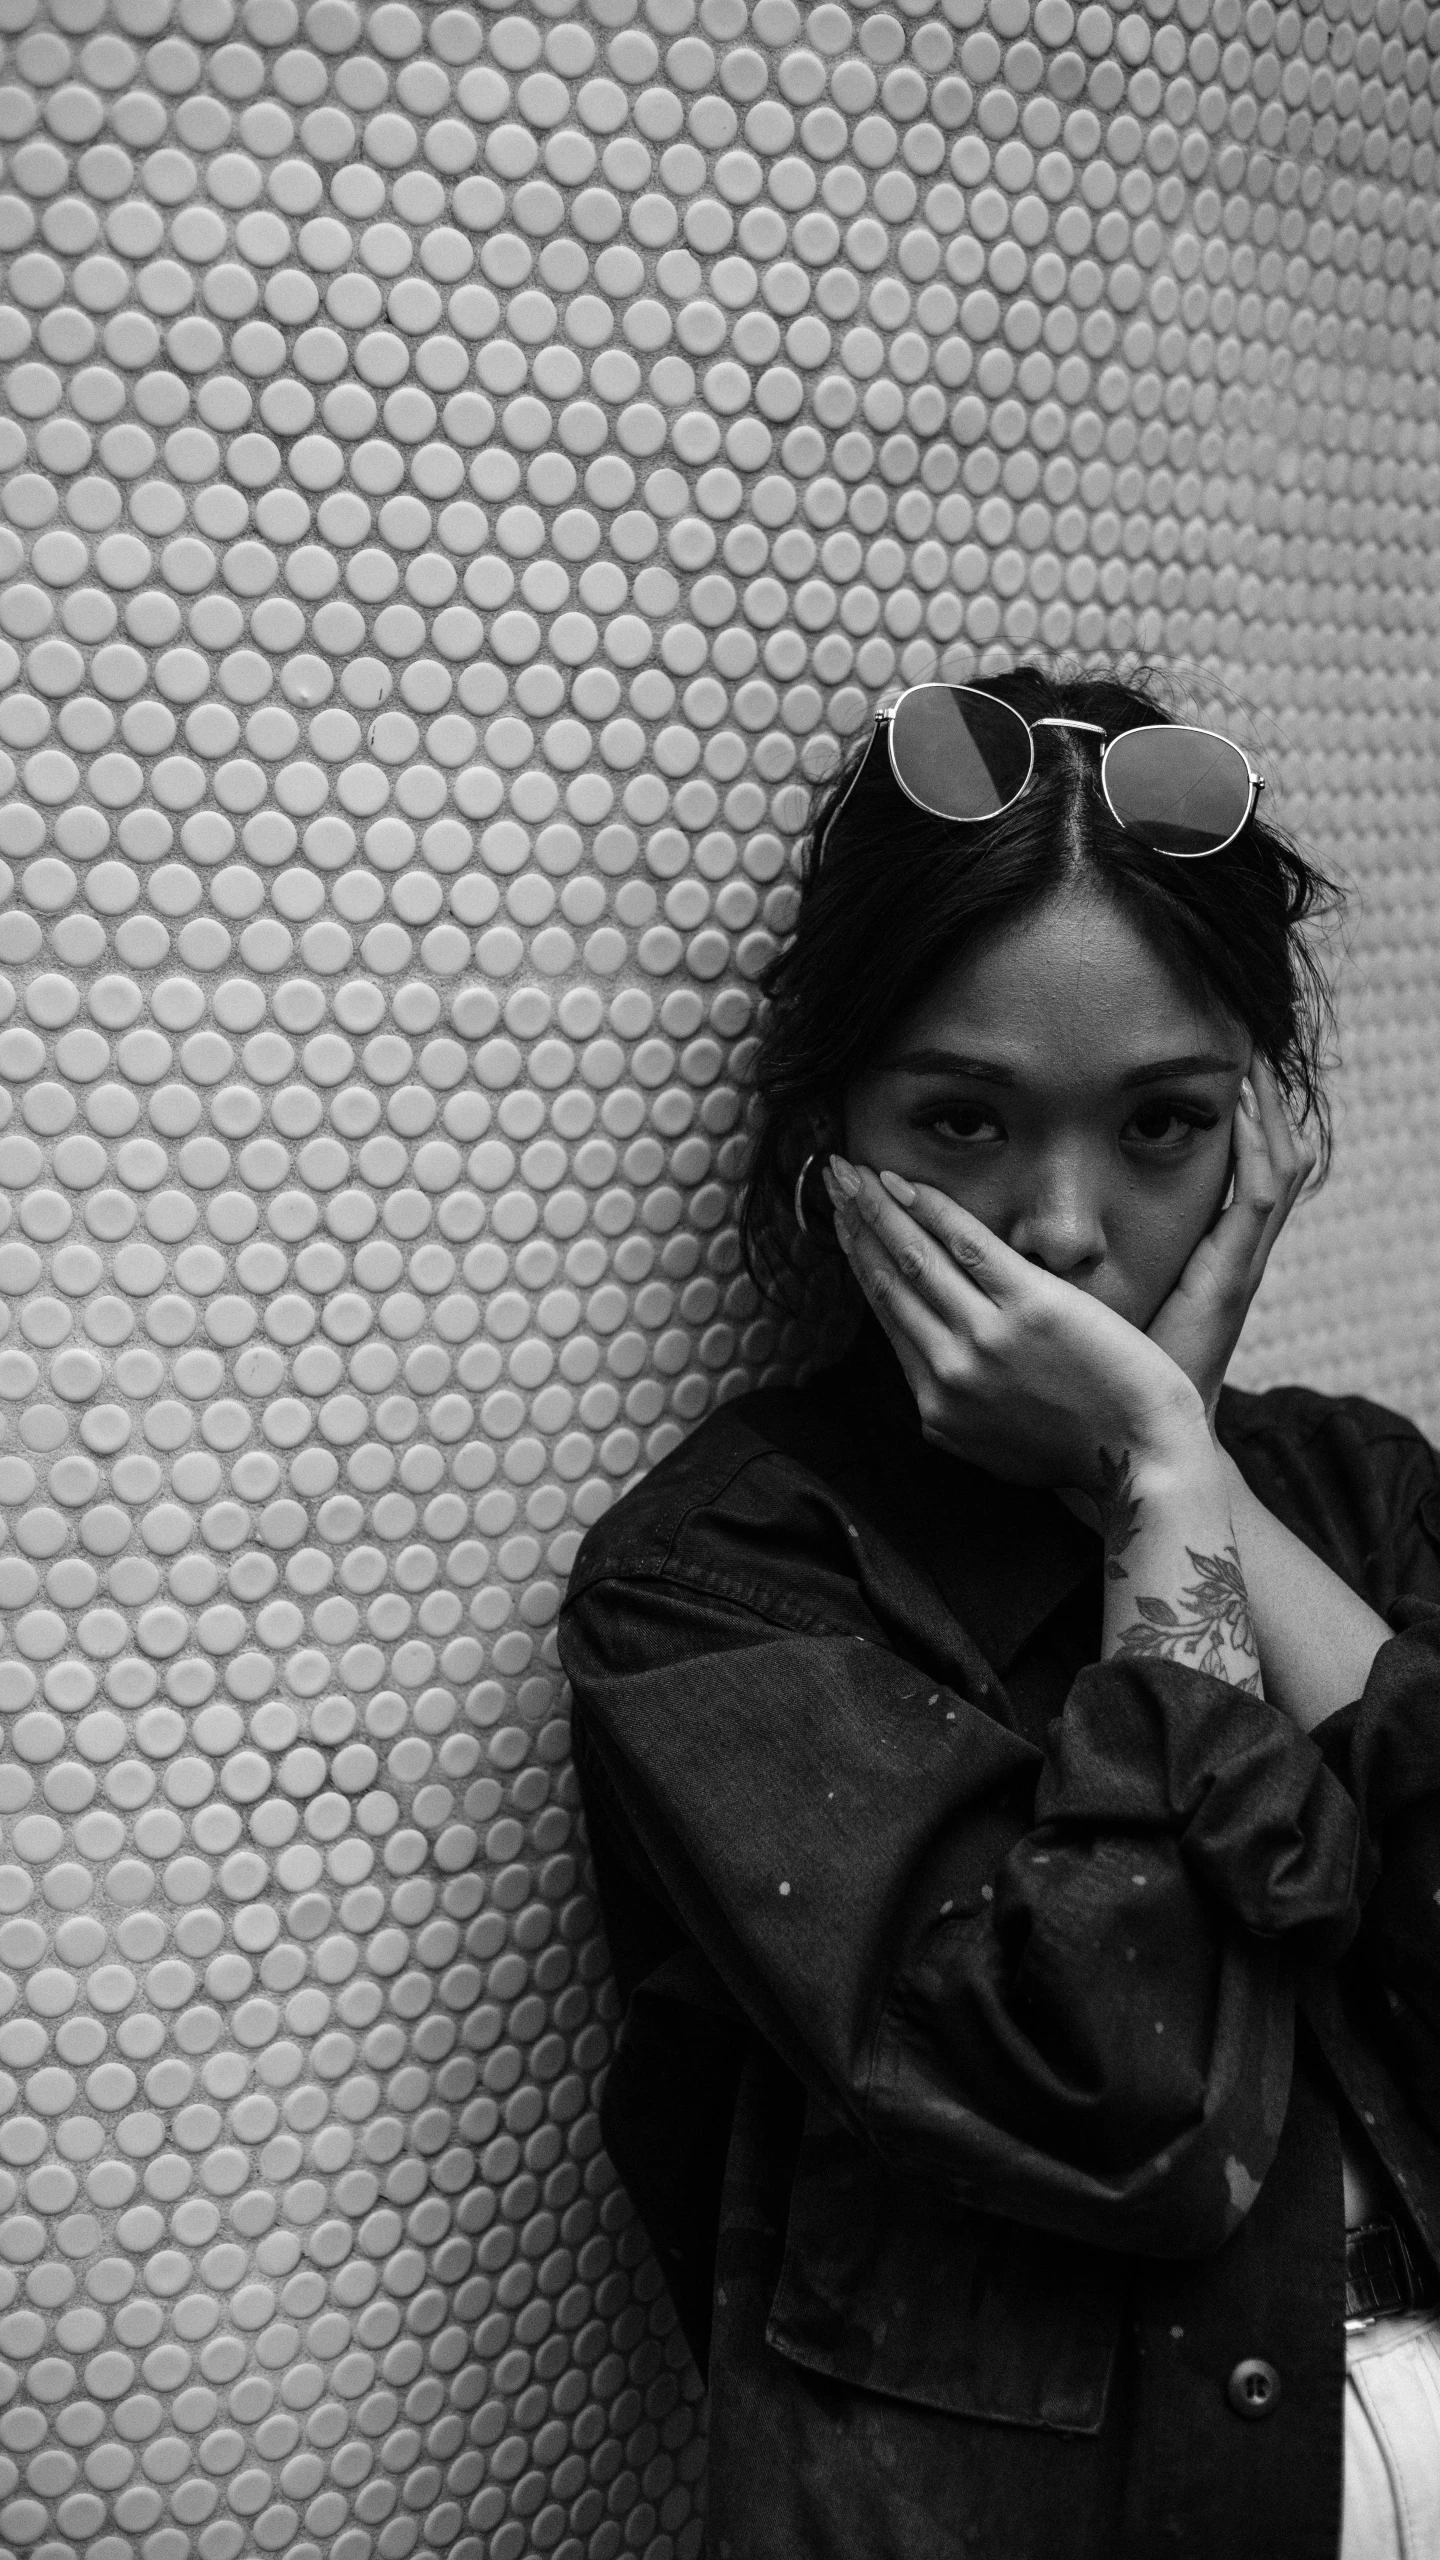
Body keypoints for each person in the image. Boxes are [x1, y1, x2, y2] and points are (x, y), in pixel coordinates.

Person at [556, 664, 1440, 2559]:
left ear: (1259, 1139)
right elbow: (1121, 2093)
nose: (1057, 1228)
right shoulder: (726, 1591)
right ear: (829, 1143)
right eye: (960, 1124)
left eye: (1160, 1127)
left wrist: (1182, 1474)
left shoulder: (1360, 1495)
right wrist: (1144, 1493)